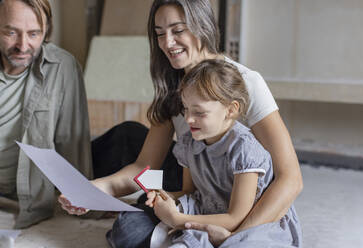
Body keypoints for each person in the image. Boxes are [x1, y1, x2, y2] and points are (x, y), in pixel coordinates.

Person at [59, 0, 303, 247]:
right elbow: (145, 167)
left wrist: (232, 238)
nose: (167, 43)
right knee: (127, 229)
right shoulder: (172, 89)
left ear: (202, 26)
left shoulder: (246, 83)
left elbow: (290, 179)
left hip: (245, 202)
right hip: (201, 190)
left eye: (177, 31)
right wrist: (94, 189)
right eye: (160, 34)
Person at [145, 59, 302, 247]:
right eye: (185, 109)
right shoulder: (189, 143)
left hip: (249, 225)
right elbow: (189, 191)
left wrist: (177, 219)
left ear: (231, 110)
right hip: (208, 215)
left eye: (199, 113)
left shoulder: (244, 149)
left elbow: (236, 217)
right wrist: (165, 197)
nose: (188, 118)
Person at [0, 0, 92, 228]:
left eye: (34, 34)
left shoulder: (63, 67)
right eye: (11, 32)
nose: (23, 46)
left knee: (125, 137)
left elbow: (73, 146)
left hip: (27, 198)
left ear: (46, 31)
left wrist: (88, 203)